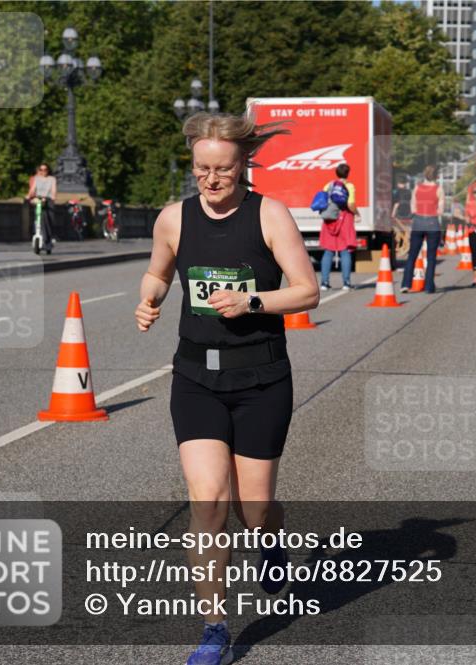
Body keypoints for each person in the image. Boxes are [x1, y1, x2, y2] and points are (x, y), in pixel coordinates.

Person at [134, 112, 319, 665]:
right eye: (201, 169)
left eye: (223, 170)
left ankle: (269, 540)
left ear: (244, 166)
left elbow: (307, 291)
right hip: (195, 379)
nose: (212, 180)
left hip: (262, 378)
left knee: (253, 508)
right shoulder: (173, 219)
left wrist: (252, 302)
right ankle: (215, 627)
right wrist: (150, 299)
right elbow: (159, 272)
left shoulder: (270, 215)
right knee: (208, 500)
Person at [401, 165, 443, 294]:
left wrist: (417, 212)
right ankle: (429, 286)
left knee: (412, 255)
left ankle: (406, 284)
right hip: (432, 223)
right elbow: (440, 210)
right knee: (431, 257)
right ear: (436, 176)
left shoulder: (417, 187)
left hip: (418, 222)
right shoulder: (438, 189)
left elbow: (412, 206)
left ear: (424, 175)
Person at [318, 163, 358, 291]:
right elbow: (350, 204)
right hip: (344, 218)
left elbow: (323, 201)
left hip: (330, 219)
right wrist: (357, 213)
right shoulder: (349, 186)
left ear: (337, 173)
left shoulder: (328, 185)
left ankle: (324, 282)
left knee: (328, 251)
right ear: (348, 173)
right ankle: (346, 283)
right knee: (345, 250)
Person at [24, 163, 57, 251]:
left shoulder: (52, 179)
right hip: (38, 199)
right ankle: (39, 236)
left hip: (48, 199)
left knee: (47, 220)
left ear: (48, 170)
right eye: (41, 170)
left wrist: (53, 196)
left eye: (45, 170)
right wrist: (28, 196)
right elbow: (32, 189)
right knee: (38, 218)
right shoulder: (36, 178)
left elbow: (53, 190)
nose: (43, 172)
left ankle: (48, 242)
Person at [391, 174, 412, 268]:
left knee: (398, 233)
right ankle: (406, 249)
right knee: (407, 232)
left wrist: (392, 214)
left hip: (399, 214)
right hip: (408, 214)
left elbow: (396, 204)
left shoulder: (396, 192)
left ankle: (399, 250)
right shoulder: (409, 192)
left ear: (398, 183)